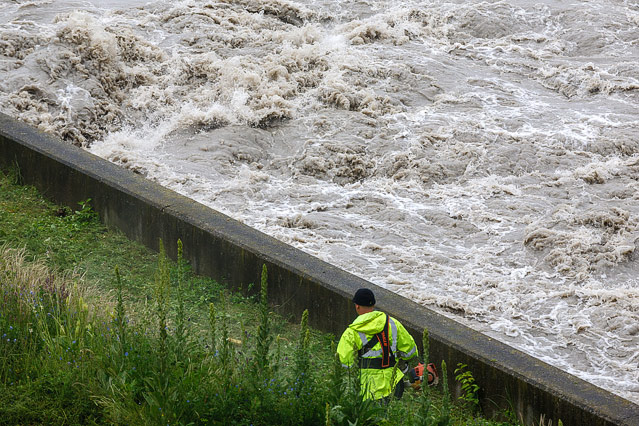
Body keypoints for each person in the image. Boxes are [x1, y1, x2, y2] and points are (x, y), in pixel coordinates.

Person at [336, 288, 419, 401]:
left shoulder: (351, 332)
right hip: (394, 384)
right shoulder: (393, 323)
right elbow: (410, 352)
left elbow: (344, 363)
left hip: (366, 388)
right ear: (373, 305)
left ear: (357, 306)